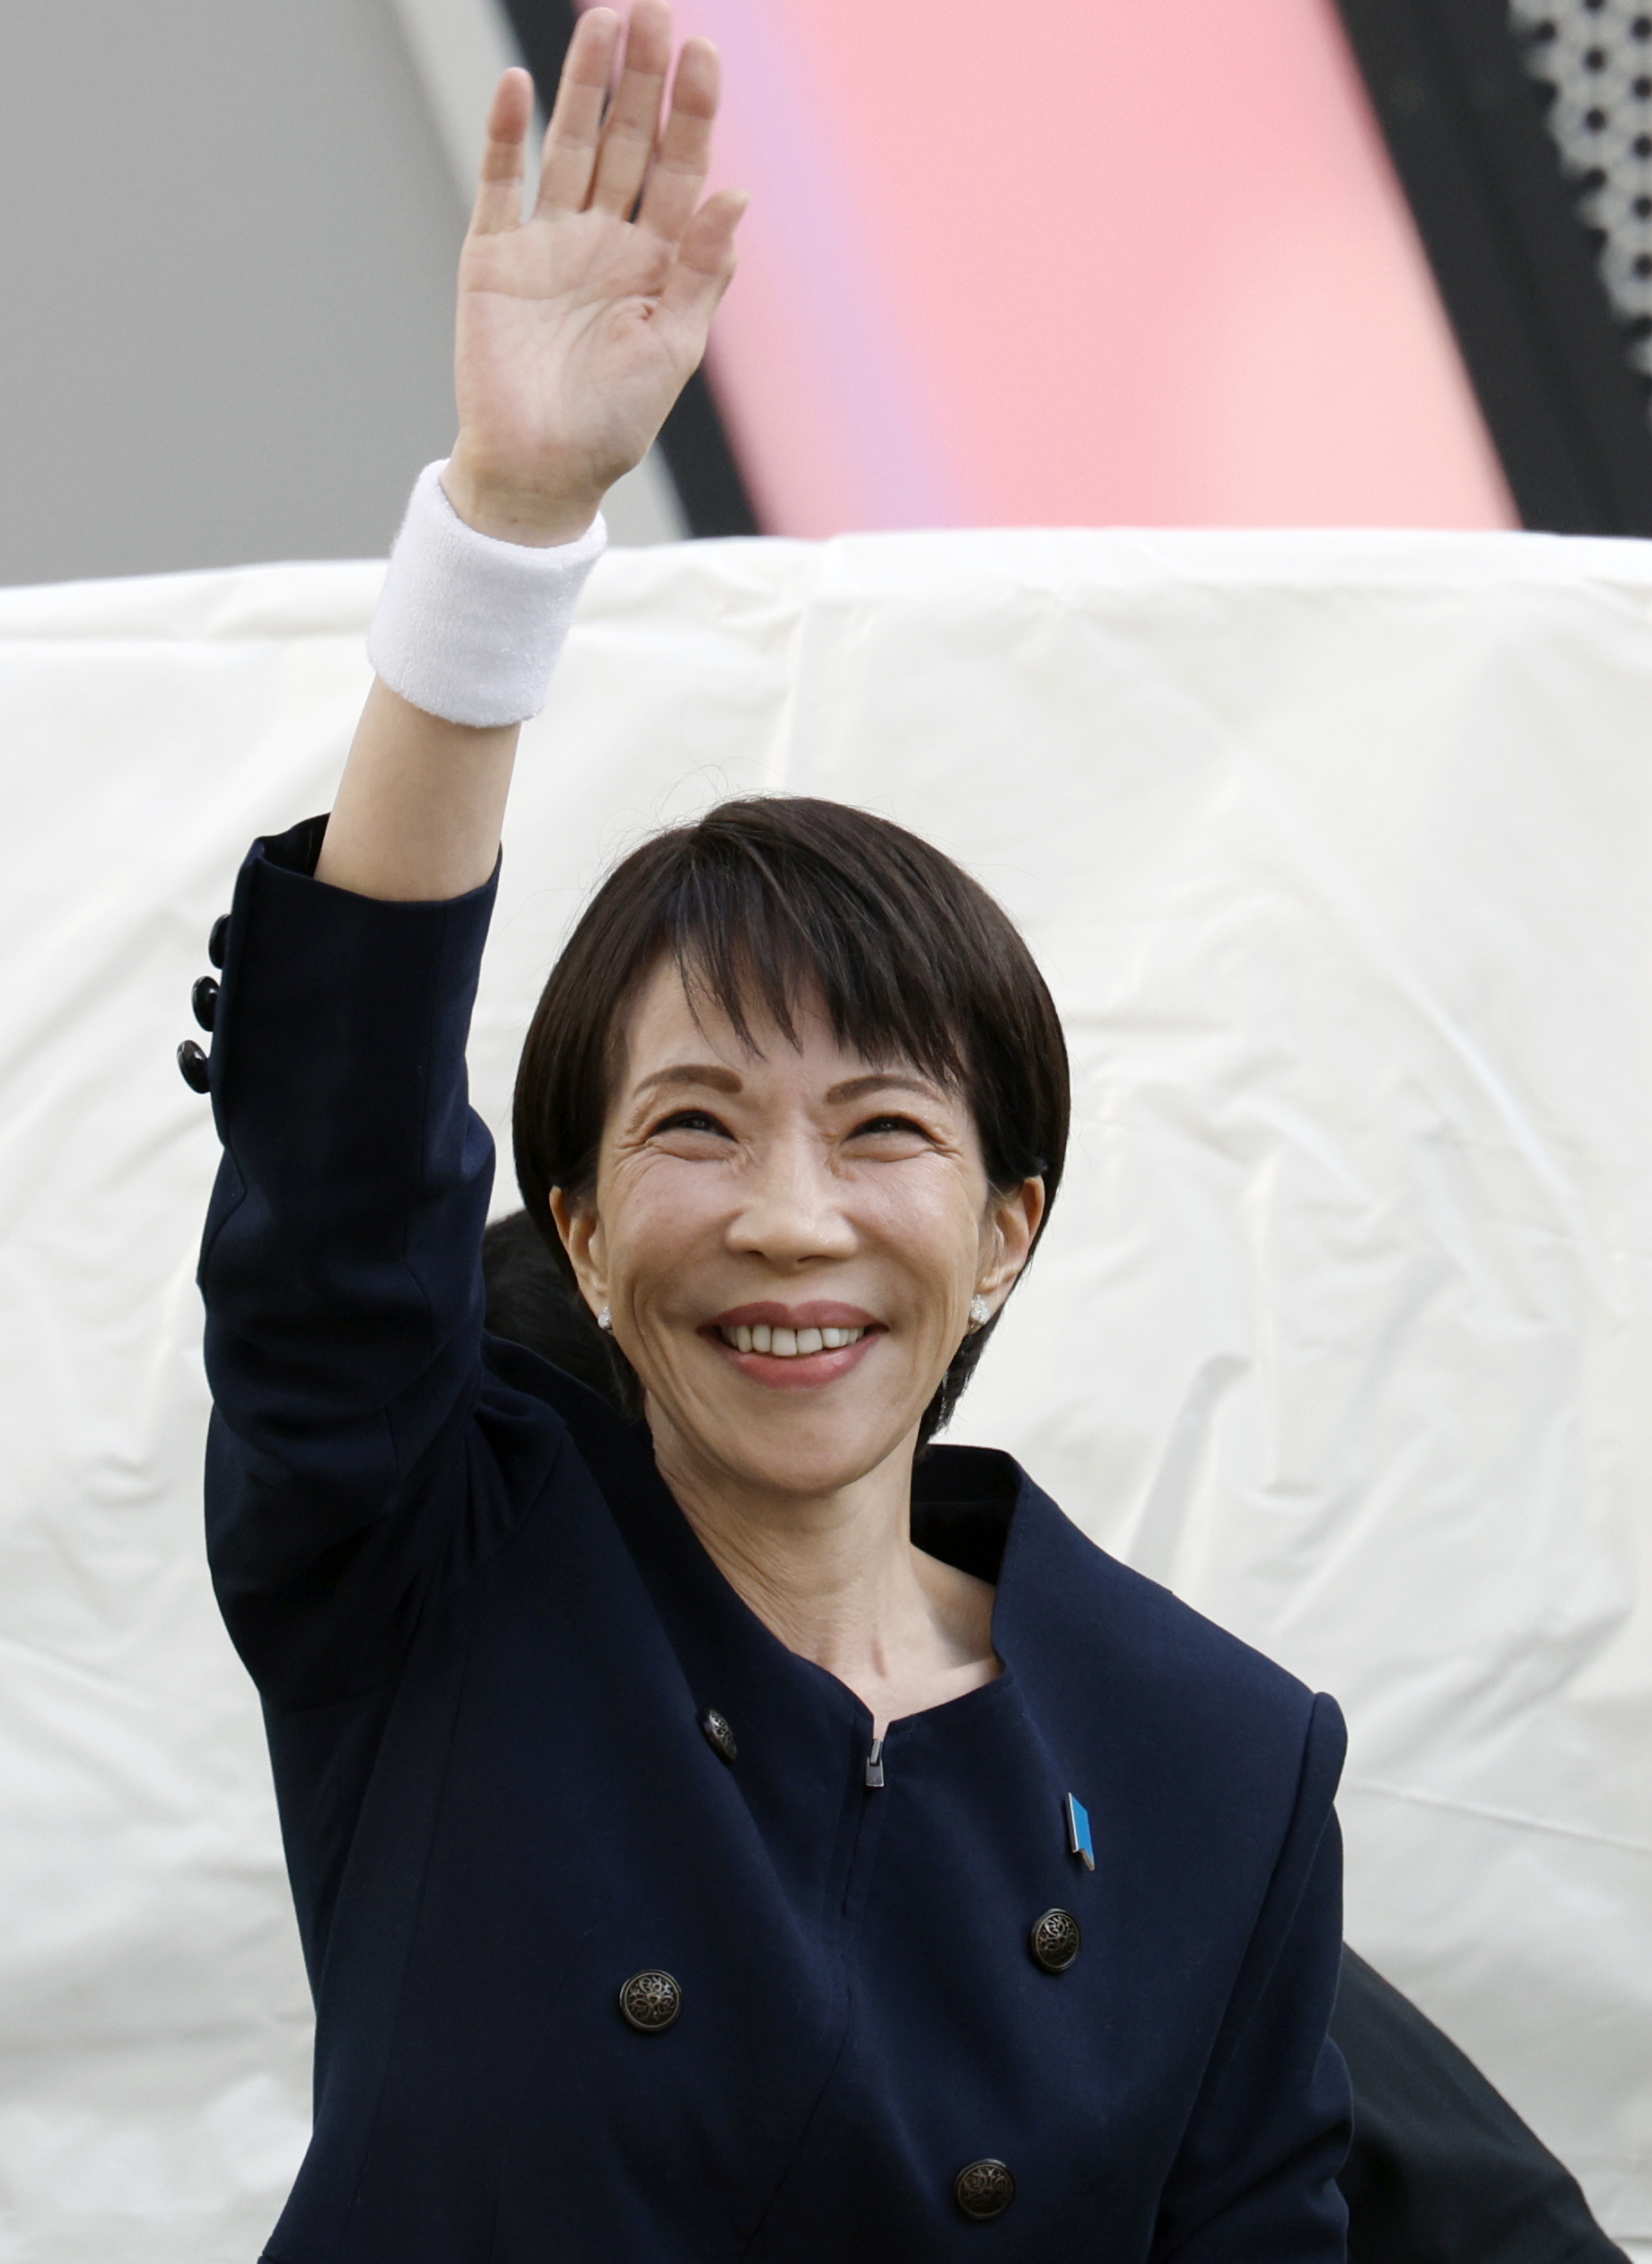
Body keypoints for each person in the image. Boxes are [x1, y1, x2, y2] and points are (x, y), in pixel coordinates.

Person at [191, 7, 1353, 2254]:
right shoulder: (438, 1577)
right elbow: (336, 1173)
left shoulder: (1216, 1753)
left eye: (884, 1127)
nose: (791, 1218)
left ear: (1008, 1224)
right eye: (699, 1125)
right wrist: (511, 524)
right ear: (576, 1226)